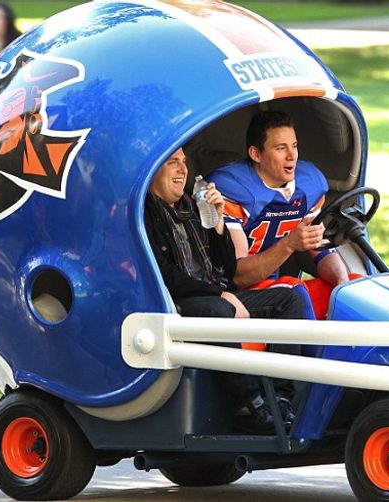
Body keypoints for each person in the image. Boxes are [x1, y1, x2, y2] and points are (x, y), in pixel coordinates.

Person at [144, 147, 303, 434]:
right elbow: (166, 276)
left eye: (184, 163)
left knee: (288, 298)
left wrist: (217, 223)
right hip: (173, 302)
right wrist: (219, 294)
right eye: (172, 163)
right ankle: (248, 407)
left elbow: (227, 269)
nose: (182, 170)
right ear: (153, 170)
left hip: (213, 293)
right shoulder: (144, 211)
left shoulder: (191, 206)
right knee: (220, 310)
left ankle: (281, 400)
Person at [207, 110, 351, 319]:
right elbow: (239, 276)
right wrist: (290, 244)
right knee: (294, 292)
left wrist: (341, 281)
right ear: (256, 154)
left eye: (294, 146)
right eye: (280, 148)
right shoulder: (233, 188)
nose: (292, 155)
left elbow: (318, 248)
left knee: (351, 287)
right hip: (235, 293)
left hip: (272, 283)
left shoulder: (309, 183)